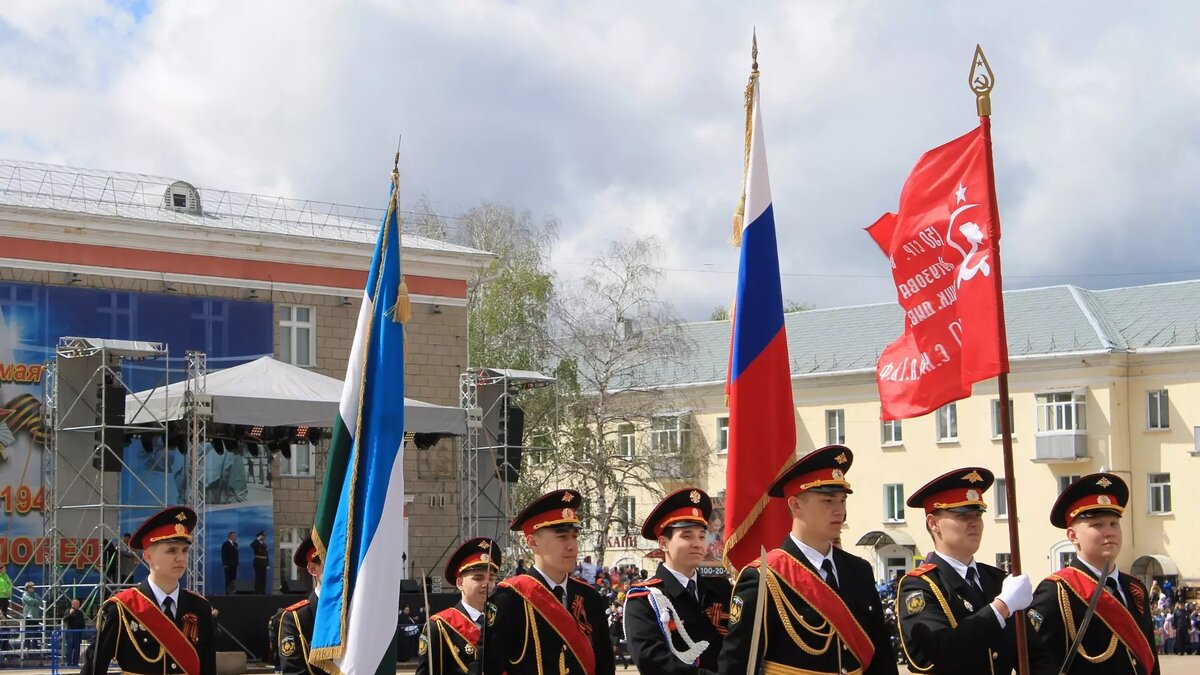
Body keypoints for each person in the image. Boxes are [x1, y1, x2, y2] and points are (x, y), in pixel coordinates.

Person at [717, 445, 898, 675]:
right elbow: (736, 665)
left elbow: (880, 658)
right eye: (828, 500)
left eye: (842, 500)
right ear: (795, 505)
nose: (839, 510)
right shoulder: (764, 578)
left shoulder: (858, 570)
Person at [896, 467, 1032, 673]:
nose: (974, 523)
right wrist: (1002, 606)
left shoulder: (996, 580)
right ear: (933, 523)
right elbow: (942, 648)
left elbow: (1033, 653)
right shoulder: (920, 585)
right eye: (963, 515)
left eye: (978, 514)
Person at [1026, 473, 1159, 675]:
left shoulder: (1134, 588)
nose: (1109, 532)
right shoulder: (1057, 592)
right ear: (1073, 536)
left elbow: (1149, 660)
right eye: (1097, 525)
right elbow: (1038, 665)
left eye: (1114, 523)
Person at [482, 489, 616, 675]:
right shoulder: (508, 599)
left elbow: (604, 666)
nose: (572, 546)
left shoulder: (589, 597)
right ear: (533, 543)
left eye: (574, 536)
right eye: (562, 537)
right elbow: (489, 668)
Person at [81, 506, 216, 675]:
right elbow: (93, 669)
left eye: (185, 550)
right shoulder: (121, 609)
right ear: (148, 557)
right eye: (171, 550)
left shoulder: (200, 607)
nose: (180, 558)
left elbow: (208, 668)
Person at [623, 487, 730, 674]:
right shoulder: (644, 599)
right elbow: (653, 661)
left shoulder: (721, 589)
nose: (697, 543)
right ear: (663, 543)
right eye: (687, 536)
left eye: (702, 536)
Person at [416, 537, 500, 675]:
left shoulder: (502, 620)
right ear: (460, 583)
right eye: (478, 578)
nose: (486, 584)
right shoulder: (440, 626)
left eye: (491, 578)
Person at [277, 536, 330, 675]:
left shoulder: (356, 612)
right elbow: (293, 671)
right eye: (331, 566)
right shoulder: (296, 618)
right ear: (313, 569)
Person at [63, 598, 87, 665]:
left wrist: (82, 631)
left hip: (78, 633)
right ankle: (69, 663)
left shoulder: (80, 613)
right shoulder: (68, 610)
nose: (78, 605)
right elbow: (65, 619)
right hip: (70, 632)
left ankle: (75, 663)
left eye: (79, 603)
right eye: (77, 603)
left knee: (77, 649)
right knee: (69, 648)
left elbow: (82, 623)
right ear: (73, 604)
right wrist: (70, 614)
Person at [20, 581, 42, 648]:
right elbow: (30, 601)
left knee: (35, 631)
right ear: (27, 588)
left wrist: (35, 602)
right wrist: (35, 602)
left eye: (33, 587)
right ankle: (27, 646)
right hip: (28, 616)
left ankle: (35, 646)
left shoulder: (35, 594)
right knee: (28, 632)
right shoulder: (25, 594)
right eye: (31, 587)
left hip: (36, 616)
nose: (33, 589)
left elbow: (40, 602)